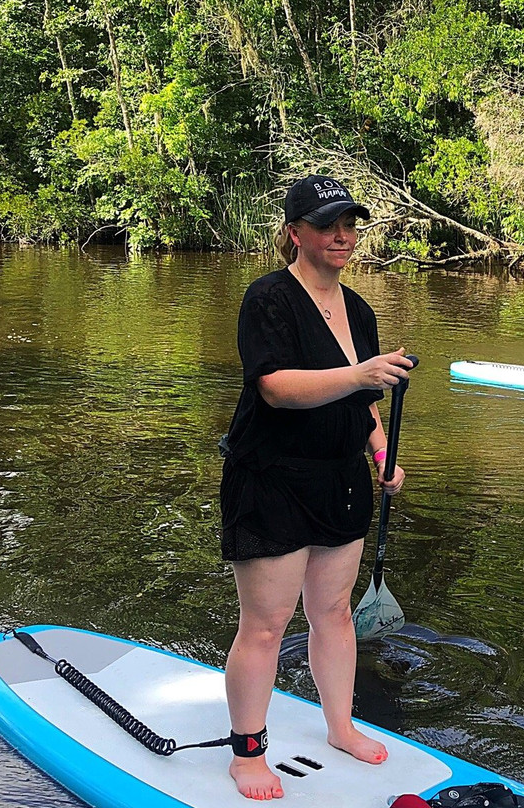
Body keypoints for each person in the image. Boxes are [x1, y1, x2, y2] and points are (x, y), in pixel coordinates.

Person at [218, 174, 416, 801]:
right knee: (267, 625)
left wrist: (383, 455)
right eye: (327, 224)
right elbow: (274, 387)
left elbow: (366, 405)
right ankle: (247, 753)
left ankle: (340, 727)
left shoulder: (359, 310)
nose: (341, 235)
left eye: (350, 224)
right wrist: (358, 372)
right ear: (295, 232)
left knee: (332, 611)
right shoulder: (268, 298)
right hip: (272, 478)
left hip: (341, 479)